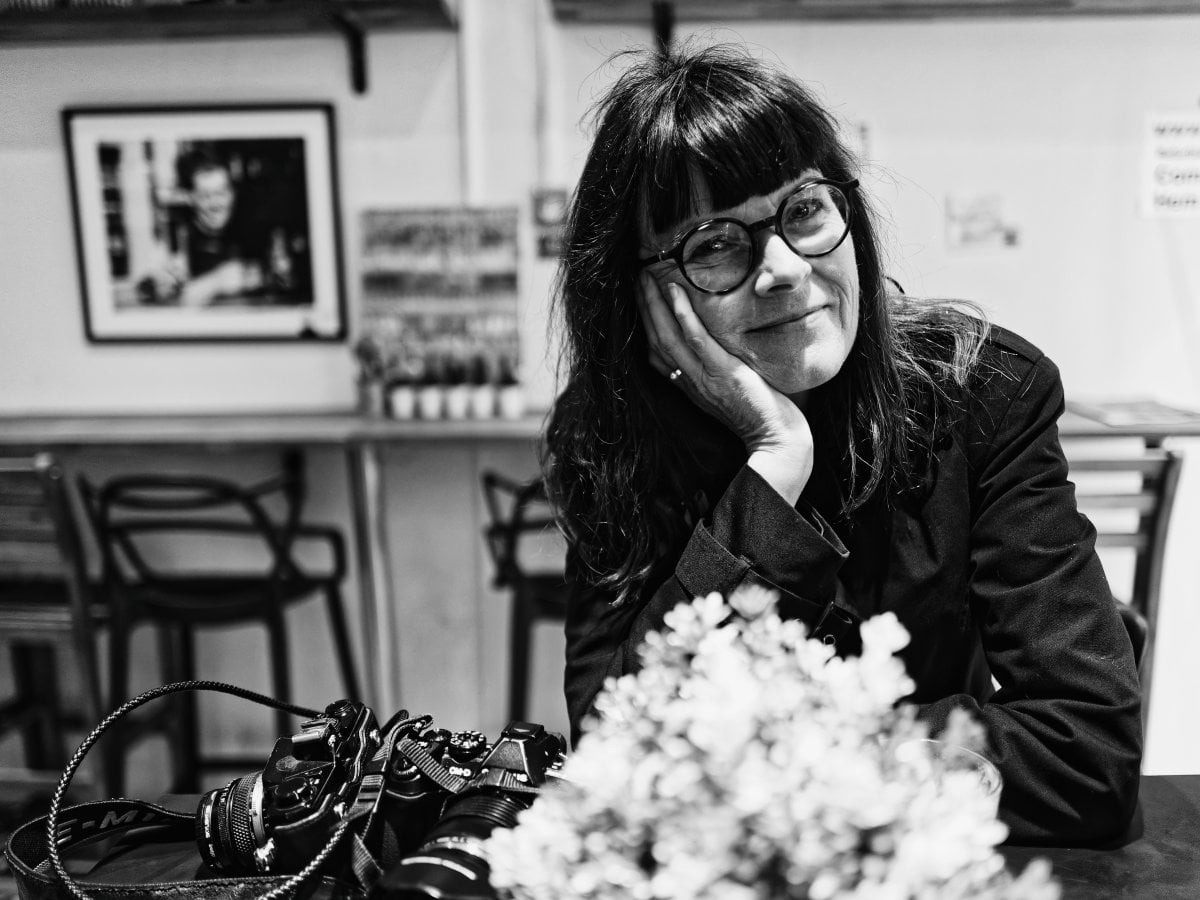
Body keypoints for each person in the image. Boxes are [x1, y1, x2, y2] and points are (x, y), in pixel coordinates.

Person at [543, 42, 1142, 847]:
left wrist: (775, 765)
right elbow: (618, 764)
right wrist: (772, 462)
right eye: (716, 242)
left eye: (803, 211)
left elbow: (1085, 758)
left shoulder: (982, 396)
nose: (784, 269)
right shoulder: (610, 440)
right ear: (644, 295)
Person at [140, 151, 270, 306]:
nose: (216, 204)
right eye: (205, 195)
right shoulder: (178, 237)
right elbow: (148, 291)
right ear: (190, 198)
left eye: (222, 193)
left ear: (233, 193)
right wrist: (216, 282)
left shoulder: (251, 228)